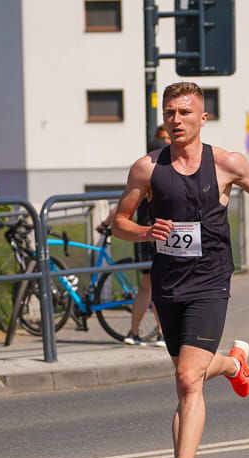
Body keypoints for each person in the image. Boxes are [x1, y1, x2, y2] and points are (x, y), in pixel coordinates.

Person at [112, 82, 249, 458]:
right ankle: (233, 364)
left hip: (209, 282)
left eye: (185, 112)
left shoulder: (226, 163)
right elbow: (120, 223)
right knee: (188, 375)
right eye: (170, 112)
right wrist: (146, 232)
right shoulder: (147, 169)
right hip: (168, 285)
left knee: (188, 380)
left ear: (202, 117)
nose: (176, 119)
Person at [98, 124, 171, 347]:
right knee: (156, 286)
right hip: (153, 236)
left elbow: (123, 205)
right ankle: (159, 333)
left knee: (147, 287)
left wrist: (106, 223)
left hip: (141, 237)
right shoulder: (159, 173)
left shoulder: (143, 171)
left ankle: (134, 332)